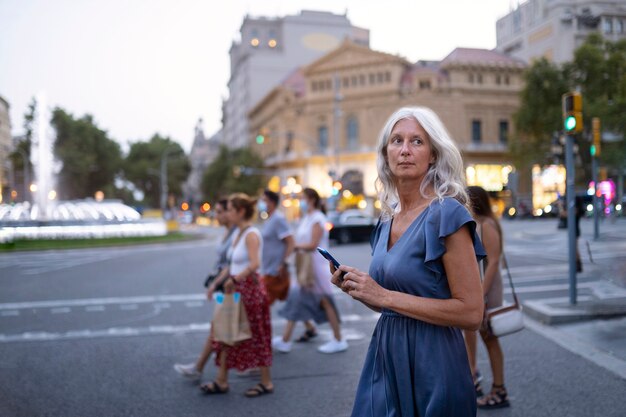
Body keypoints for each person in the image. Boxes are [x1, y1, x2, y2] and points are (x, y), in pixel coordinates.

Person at [330, 107, 485, 416]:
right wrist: (362, 290)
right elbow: (389, 304)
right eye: (397, 140)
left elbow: (471, 313)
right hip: (387, 356)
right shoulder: (387, 219)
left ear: (433, 155)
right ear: (386, 153)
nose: (404, 150)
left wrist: (384, 295)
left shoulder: (447, 214)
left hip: (435, 360)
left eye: (417, 141)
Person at [201, 193, 274, 397]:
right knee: (224, 333)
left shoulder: (251, 234)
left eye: (232, 209)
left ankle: (266, 382)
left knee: (257, 335)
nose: (228, 213)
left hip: (249, 290)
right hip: (234, 290)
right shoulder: (237, 234)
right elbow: (231, 265)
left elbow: (254, 264)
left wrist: (235, 279)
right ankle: (221, 380)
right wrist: (217, 282)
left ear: (241, 212)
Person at [272, 187, 348, 354]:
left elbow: (314, 244)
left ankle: (338, 339)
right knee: (297, 299)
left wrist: (294, 246)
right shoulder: (308, 218)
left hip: (315, 266)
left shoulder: (318, 219)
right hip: (306, 265)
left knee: (325, 301)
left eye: (303, 198)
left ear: (312, 200)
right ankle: (286, 339)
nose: (301, 202)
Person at [173, 199, 236, 381]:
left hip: (229, 286)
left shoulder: (237, 234)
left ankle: (202, 369)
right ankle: (207, 370)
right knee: (222, 326)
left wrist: (216, 283)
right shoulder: (227, 232)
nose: (216, 216)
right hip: (221, 285)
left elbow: (233, 264)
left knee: (220, 326)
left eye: (219, 211)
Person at [463, 185, 510, 409]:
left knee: (490, 339)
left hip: (487, 291)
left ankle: (499, 390)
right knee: (483, 336)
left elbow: (492, 265)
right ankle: (479, 378)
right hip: (481, 290)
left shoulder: (487, 225)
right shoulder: (478, 224)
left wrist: (480, 296)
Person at [259, 190, 295, 305]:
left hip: (275, 270)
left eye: (264, 200)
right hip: (268, 268)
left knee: (263, 303)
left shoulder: (278, 219)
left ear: (272, 202)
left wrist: (283, 263)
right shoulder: (268, 219)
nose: (262, 203)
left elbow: (290, 242)